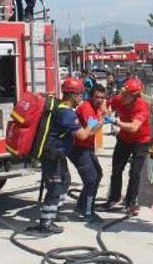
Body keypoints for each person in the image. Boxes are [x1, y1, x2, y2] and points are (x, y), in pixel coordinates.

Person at [28, 77, 101, 234]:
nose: (82, 98)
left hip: (57, 154)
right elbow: (82, 135)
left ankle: (55, 213)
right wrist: (92, 124)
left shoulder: (60, 107)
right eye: (80, 94)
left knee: (65, 180)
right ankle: (45, 223)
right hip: (52, 155)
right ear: (73, 95)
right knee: (55, 187)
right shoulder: (66, 113)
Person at [103, 77, 151, 216]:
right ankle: (114, 198)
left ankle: (131, 203)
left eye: (126, 95)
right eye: (122, 93)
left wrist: (115, 121)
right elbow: (108, 105)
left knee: (135, 173)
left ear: (135, 97)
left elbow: (134, 127)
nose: (122, 97)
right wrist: (107, 112)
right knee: (116, 169)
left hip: (140, 141)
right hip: (124, 139)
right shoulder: (119, 98)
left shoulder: (141, 106)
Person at [70, 84, 108, 223]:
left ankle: (82, 205)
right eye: (97, 97)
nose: (99, 100)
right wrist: (103, 118)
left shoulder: (96, 108)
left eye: (102, 98)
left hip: (87, 148)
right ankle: (87, 211)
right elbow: (90, 130)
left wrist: (102, 115)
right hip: (78, 148)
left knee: (98, 174)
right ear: (91, 96)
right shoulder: (86, 108)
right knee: (91, 179)